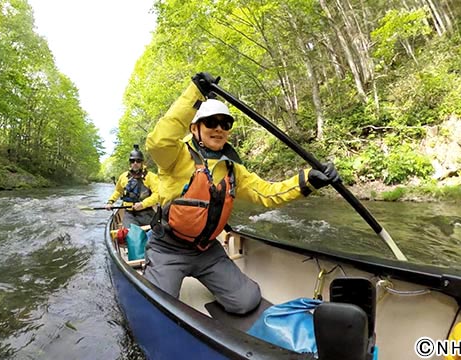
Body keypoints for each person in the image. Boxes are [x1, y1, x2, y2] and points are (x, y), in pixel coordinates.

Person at [144, 72, 341, 315]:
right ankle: (154, 272)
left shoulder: (233, 170)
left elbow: (268, 194)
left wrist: (307, 181)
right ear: (194, 128)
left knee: (247, 301)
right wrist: (195, 91)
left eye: (225, 124)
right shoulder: (174, 156)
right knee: (158, 309)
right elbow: (157, 141)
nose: (219, 129)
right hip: (168, 248)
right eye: (211, 122)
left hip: (207, 251)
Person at [106, 144, 160, 228]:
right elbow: (118, 191)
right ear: (130, 163)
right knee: (132, 235)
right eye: (132, 161)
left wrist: (143, 204)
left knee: (155, 234)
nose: (135, 163)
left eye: (138, 161)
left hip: (147, 212)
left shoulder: (151, 177)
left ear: (142, 162)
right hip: (129, 213)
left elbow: (157, 194)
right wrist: (110, 202)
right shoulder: (123, 176)